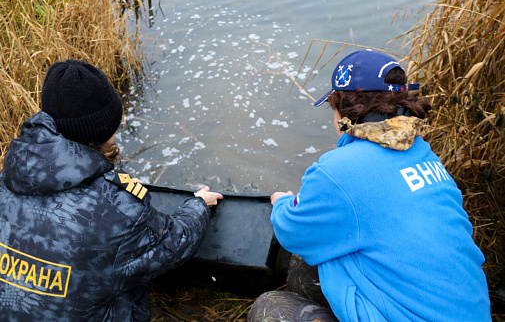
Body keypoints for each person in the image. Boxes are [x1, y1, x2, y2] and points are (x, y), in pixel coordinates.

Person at [248, 49, 491, 322]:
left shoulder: (338, 170)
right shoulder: (423, 153)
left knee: (270, 309)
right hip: (470, 312)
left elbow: (292, 233)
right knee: (305, 270)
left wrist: (281, 202)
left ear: (343, 111)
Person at [0, 59, 223, 321]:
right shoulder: (120, 209)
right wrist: (198, 205)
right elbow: (174, 244)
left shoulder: (8, 174)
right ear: (105, 130)